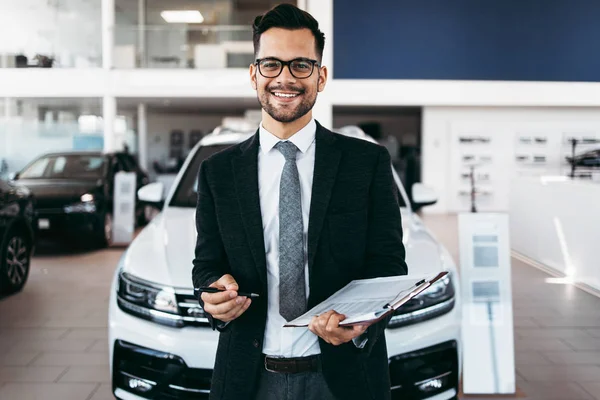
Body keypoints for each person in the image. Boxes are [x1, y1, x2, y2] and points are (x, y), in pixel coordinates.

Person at [192, 4, 408, 400]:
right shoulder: (218, 172)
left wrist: (361, 321)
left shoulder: (367, 163)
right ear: (254, 74)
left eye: (301, 66)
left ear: (321, 76)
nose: (285, 78)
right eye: (271, 64)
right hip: (248, 378)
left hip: (344, 377)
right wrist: (213, 296)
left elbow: (388, 265)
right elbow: (206, 265)